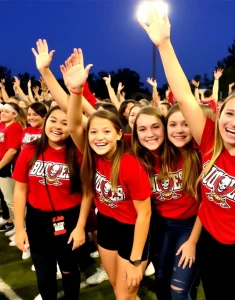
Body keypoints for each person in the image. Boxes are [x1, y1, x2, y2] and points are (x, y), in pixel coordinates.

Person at [138, 9, 235, 300]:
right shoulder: (209, 140)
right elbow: (184, 96)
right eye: (230, 114)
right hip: (211, 246)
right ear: (219, 115)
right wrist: (164, 45)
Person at [64, 48, 152, 300]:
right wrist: (76, 91)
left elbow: (144, 213)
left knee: (126, 295)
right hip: (107, 225)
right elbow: (73, 125)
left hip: (132, 229)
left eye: (105, 132)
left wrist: (136, 258)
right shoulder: (92, 155)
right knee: (117, 287)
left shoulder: (128, 163)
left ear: (117, 133)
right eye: (93, 132)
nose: (98, 137)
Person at [13, 105, 87, 300]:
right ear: (46, 122)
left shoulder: (78, 152)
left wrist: (80, 226)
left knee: (69, 269)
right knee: (44, 274)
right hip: (37, 220)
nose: (58, 126)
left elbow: (87, 193)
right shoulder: (30, 149)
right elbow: (20, 190)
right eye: (53, 120)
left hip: (69, 219)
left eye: (65, 123)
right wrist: (19, 228)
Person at [132, 105, 202, 300]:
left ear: (164, 128)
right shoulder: (137, 155)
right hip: (158, 227)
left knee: (179, 291)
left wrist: (193, 240)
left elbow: (207, 203)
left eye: (156, 127)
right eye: (142, 129)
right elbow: (89, 127)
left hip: (190, 227)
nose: (150, 134)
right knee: (162, 281)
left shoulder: (191, 153)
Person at [0, 103, 24, 236]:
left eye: (6, 112)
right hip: (3, 166)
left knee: (13, 201)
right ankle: (16, 227)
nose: (2, 113)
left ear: (14, 114)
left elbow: (12, 151)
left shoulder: (15, 127)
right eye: (2, 111)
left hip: (7, 167)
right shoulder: (3, 126)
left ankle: (23, 230)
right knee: (8, 200)